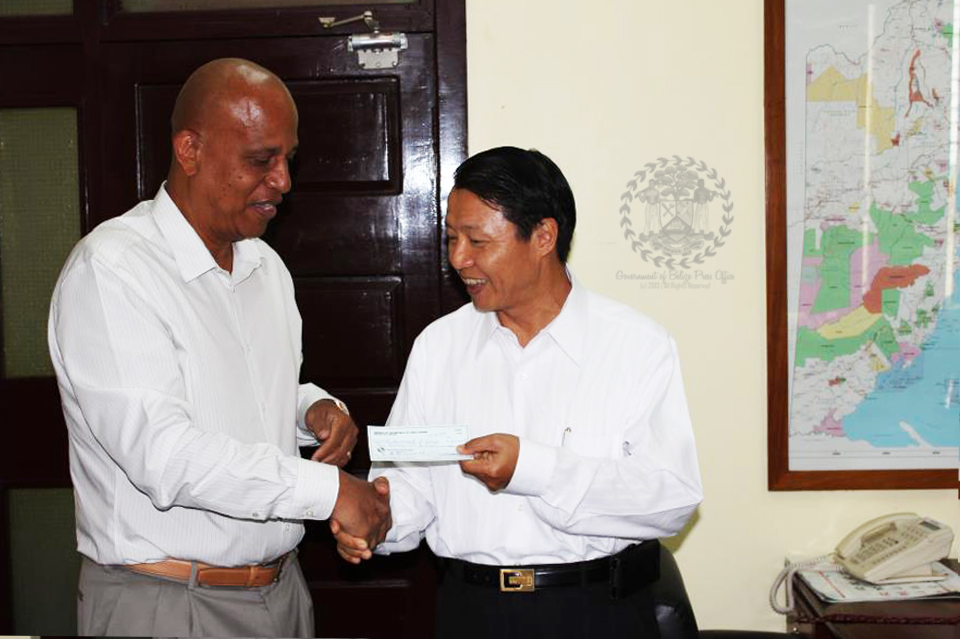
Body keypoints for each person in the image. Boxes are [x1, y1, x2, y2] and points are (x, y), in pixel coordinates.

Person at [48, 58, 390, 638]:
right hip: (165, 602)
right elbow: (165, 455)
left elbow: (241, 395)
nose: (283, 181)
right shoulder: (112, 270)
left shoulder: (265, 266)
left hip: (281, 591)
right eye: (261, 160)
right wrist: (329, 491)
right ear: (190, 150)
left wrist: (310, 410)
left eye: (288, 159)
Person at [332, 146, 703, 638]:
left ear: (543, 236)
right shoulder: (439, 346)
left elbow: (672, 499)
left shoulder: (635, 345)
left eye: (478, 241)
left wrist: (534, 469)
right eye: (451, 238)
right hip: (470, 611)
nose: (458, 259)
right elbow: (413, 482)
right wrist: (378, 518)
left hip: (595, 611)